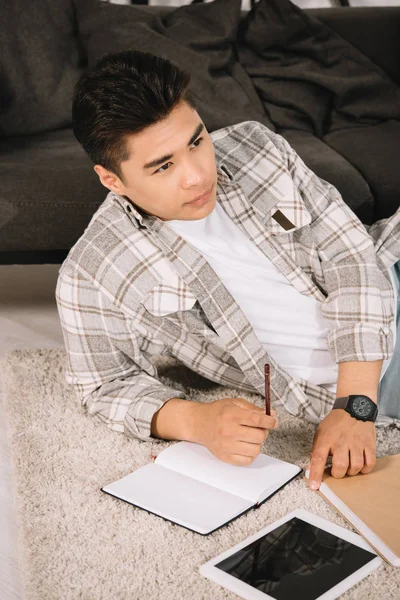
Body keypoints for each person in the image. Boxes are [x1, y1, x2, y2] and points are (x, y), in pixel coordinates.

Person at [56, 49, 400, 492]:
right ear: (112, 180)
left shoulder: (257, 147)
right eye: (164, 166)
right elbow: (103, 386)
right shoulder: (92, 272)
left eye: (197, 142)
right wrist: (196, 420)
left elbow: (350, 255)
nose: (198, 176)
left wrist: (355, 406)